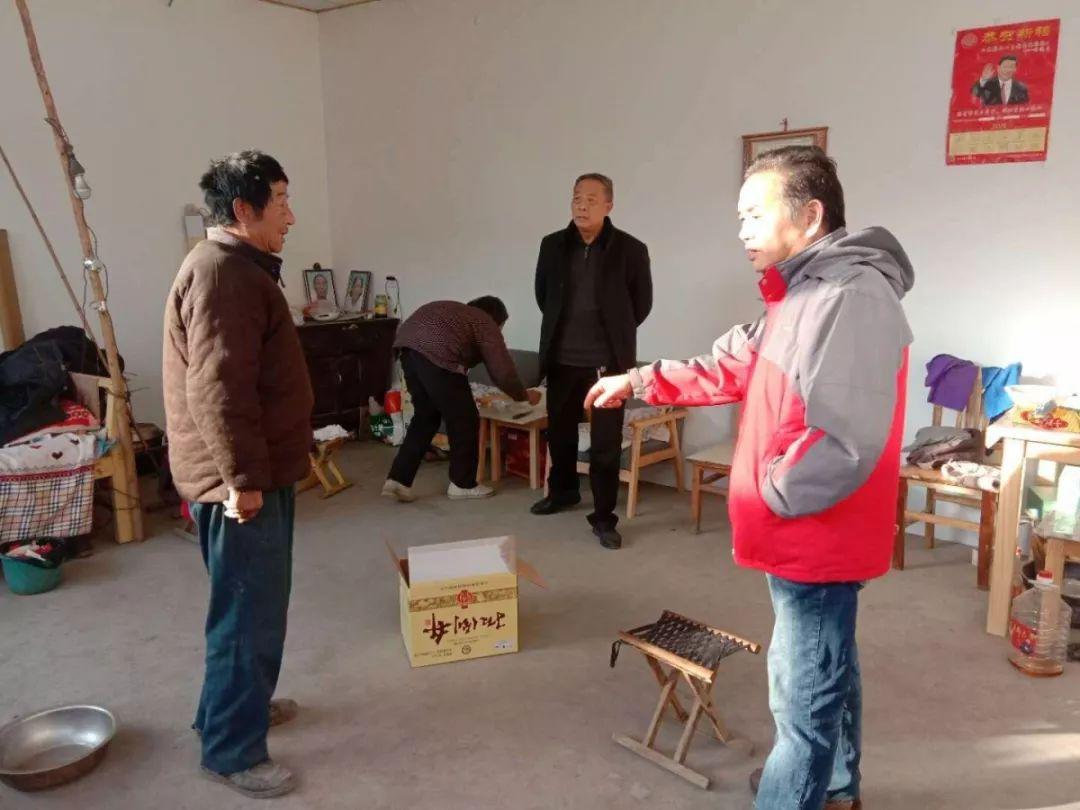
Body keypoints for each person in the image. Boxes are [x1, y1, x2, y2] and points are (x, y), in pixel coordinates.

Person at [585, 147, 914, 810]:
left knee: (802, 694)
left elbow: (845, 441)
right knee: (828, 664)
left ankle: (798, 795)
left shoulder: (849, 297)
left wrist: (770, 489)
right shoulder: (801, 294)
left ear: (810, 215)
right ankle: (838, 786)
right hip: (799, 527)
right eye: (740, 217)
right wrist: (640, 380)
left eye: (755, 215)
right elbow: (731, 365)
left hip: (813, 531)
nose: (742, 231)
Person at [163, 150, 313, 799]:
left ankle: (230, 711)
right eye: (281, 202)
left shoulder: (234, 267)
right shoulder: (224, 275)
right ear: (244, 209)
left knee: (248, 605)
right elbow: (218, 391)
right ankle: (231, 750)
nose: (291, 217)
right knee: (247, 613)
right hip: (240, 482)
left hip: (252, 472)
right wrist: (243, 480)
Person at [530, 173, 652, 550]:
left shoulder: (630, 249)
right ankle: (563, 491)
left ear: (609, 205)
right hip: (562, 360)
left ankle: (603, 517)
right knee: (560, 434)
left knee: (605, 445)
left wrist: (614, 335)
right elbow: (543, 296)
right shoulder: (552, 245)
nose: (582, 206)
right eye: (577, 198)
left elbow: (641, 304)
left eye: (591, 200)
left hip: (607, 367)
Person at [382, 296, 541, 502]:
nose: (500, 332)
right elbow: (503, 371)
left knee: (425, 417)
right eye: (501, 327)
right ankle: (463, 484)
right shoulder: (484, 321)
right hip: (435, 353)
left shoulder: (458, 315)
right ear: (496, 319)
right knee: (465, 419)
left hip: (406, 348)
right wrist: (523, 396)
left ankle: (398, 480)